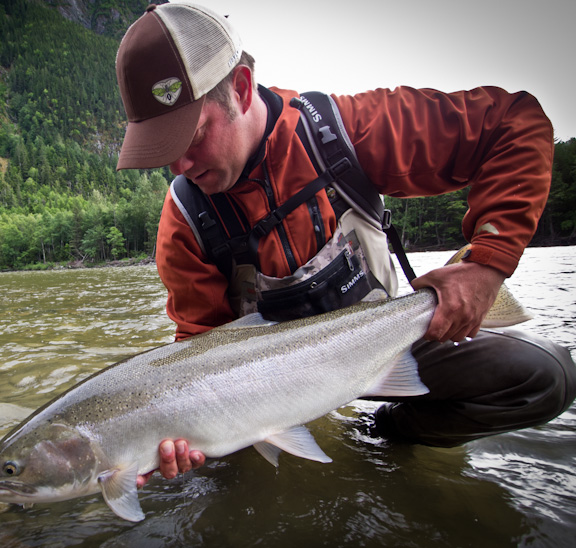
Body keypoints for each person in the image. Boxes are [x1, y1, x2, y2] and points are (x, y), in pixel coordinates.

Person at [113, 2, 576, 486]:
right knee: (222, 481)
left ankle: (389, 434)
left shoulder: (345, 132)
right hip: (260, 394)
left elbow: (514, 123)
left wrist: (487, 265)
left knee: (545, 376)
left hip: (383, 351)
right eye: (161, 151)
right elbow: (198, 350)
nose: (179, 167)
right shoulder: (186, 219)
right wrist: (175, 433)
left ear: (242, 90)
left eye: (191, 137)